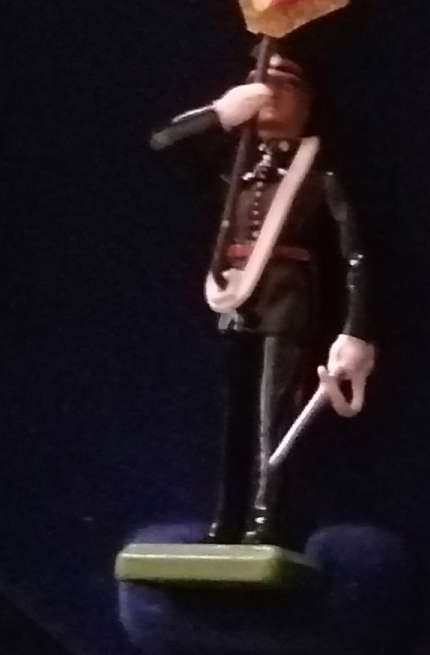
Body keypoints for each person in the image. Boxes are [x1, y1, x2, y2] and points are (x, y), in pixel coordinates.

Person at [150, 41, 375, 547]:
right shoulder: (232, 170)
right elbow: (163, 146)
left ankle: (266, 522)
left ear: (307, 103)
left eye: (284, 84)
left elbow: (354, 257)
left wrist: (355, 330)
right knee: (232, 424)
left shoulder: (318, 178)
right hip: (234, 300)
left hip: (288, 302)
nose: (270, 91)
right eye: (262, 81)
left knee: (274, 420)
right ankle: (225, 519)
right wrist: (219, 114)